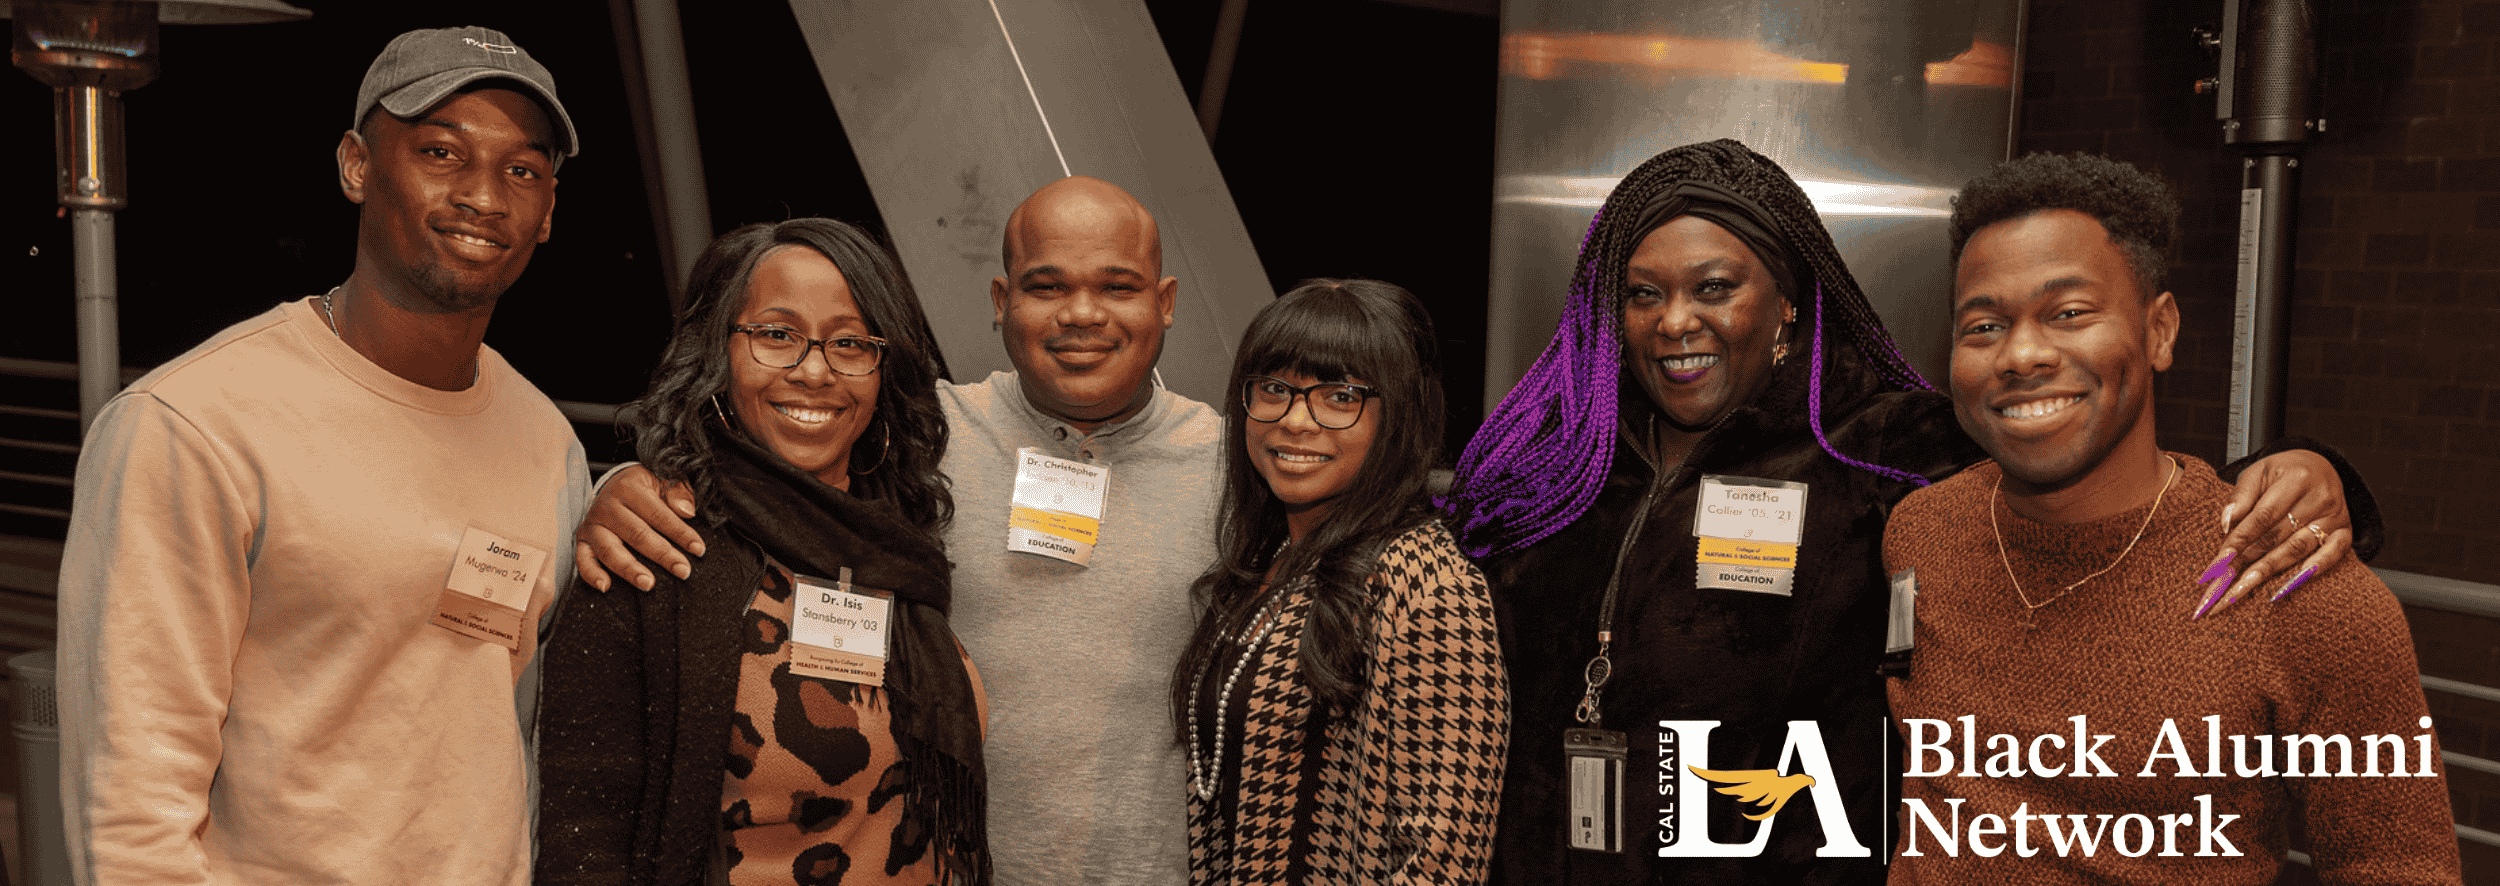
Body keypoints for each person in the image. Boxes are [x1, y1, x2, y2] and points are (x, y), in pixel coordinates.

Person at [1441, 139, 2374, 884]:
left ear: (1790, 307)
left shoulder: (1886, 448)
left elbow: (2087, 464)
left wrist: (2304, 470)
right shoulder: (1557, 457)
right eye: (1643, 294)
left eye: (1714, 288)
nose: (1673, 321)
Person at [55, 26, 586, 886]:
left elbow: (513, 727)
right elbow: (128, 800)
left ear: (549, 211)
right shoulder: (193, 424)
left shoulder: (546, 443)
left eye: (522, 170)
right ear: (357, 167)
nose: (485, 195)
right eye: (441, 151)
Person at [573, 176, 1218, 883]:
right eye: (1048, 286)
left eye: (1118, 286)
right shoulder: (926, 438)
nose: (1083, 314)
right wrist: (627, 487)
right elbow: (772, 459)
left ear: (1166, 303)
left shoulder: (1234, 471)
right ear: (1002, 304)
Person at [1882, 153, 2459, 885]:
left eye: (2068, 314)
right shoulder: (1921, 531)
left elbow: (2398, 866)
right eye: (1985, 325)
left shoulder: (2293, 582)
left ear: (2160, 330)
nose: (2021, 354)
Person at [534, 218, 986, 886]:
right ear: (719, 352)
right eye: (776, 335)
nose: (813, 370)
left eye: (850, 342)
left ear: (883, 367)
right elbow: (586, 846)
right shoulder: (658, 552)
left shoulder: (897, 544)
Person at [1173, 279, 1507, 883]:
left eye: (1338, 396)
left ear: (1398, 415)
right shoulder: (1267, 556)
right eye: (1274, 389)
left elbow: (1443, 865)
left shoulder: (1426, 585)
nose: (1296, 421)